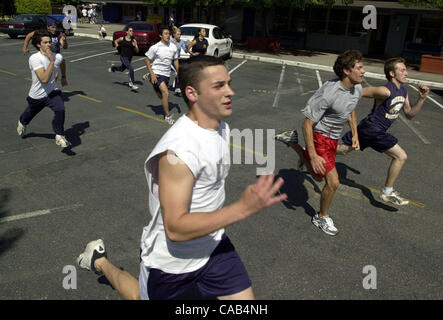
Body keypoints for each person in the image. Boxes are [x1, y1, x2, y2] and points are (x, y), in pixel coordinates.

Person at [76, 56, 287, 300]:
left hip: (213, 246)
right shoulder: (179, 152)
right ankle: (100, 262)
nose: (230, 92)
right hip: (171, 264)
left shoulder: (220, 126)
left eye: (228, 83)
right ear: (192, 93)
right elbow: (175, 228)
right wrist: (242, 209)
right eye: (219, 86)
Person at [275, 50, 369, 236]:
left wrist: (355, 133)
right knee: (333, 182)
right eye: (359, 68)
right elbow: (307, 124)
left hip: (333, 138)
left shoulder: (356, 88)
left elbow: (351, 109)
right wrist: (313, 153)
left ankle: (293, 143)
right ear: (346, 71)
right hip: (320, 136)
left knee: (318, 176)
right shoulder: (329, 93)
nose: (363, 71)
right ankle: (321, 216)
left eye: (362, 67)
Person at [337, 57, 430, 205]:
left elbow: (410, 114)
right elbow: (358, 92)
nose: (406, 73)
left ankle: (310, 153)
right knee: (401, 156)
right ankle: (387, 192)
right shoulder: (385, 91)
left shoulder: (404, 91)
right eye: (402, 70)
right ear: (392, 74)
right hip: (373, 129)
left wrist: (422, 99)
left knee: (342, 150)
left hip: (368, 129)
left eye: (406, 70)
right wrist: (344, 108)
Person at [17, 30, 71, 148]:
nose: (49, 44)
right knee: (29, 114)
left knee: (60, 109)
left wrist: (63, 76)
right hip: (37, 95)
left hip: (52, 92)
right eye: (45, 42)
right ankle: (22, 122)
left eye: (50, 42)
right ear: (38, 44)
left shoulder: (58, 56)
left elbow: (62, 62)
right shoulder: (35, 58)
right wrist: (52, 62)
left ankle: (59, 135)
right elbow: (44, 79)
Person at [143, 27, 179, 125]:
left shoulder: (173, 47)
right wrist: (152, 74)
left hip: (167, 74)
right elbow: (147, 60)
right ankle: (167, 116)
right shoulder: (155, 47)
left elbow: (175, 60)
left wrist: (178, 72)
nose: (168, 35)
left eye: (169, 34)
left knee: (161, 96)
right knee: (166, 93)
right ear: (160, 35)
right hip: (157, 73)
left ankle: (153, 84)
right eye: (166, 34)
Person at [23, 22, 69, 87]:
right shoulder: (43, 33)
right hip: (45, 56)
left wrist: (64, 40)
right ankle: (49, 89)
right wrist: (25, 47)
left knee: (56, 73)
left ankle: (53, 87)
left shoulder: (59, 34)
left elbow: (64, 47)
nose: (55, 29)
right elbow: (28, 36)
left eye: (56, 27)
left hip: (54, 56)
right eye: (52, 27)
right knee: (50, 76)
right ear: (48, 27)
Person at [169, 26, 189, 94]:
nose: (179, 36)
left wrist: (188, 45)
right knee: (176, 71)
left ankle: (177, 87)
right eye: (178, 34)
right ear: (174, 34)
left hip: (176, 60)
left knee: (178, 72)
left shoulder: (181, 42)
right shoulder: (169, 40)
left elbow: (186, 51)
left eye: (180, 34)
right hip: (169, 60)